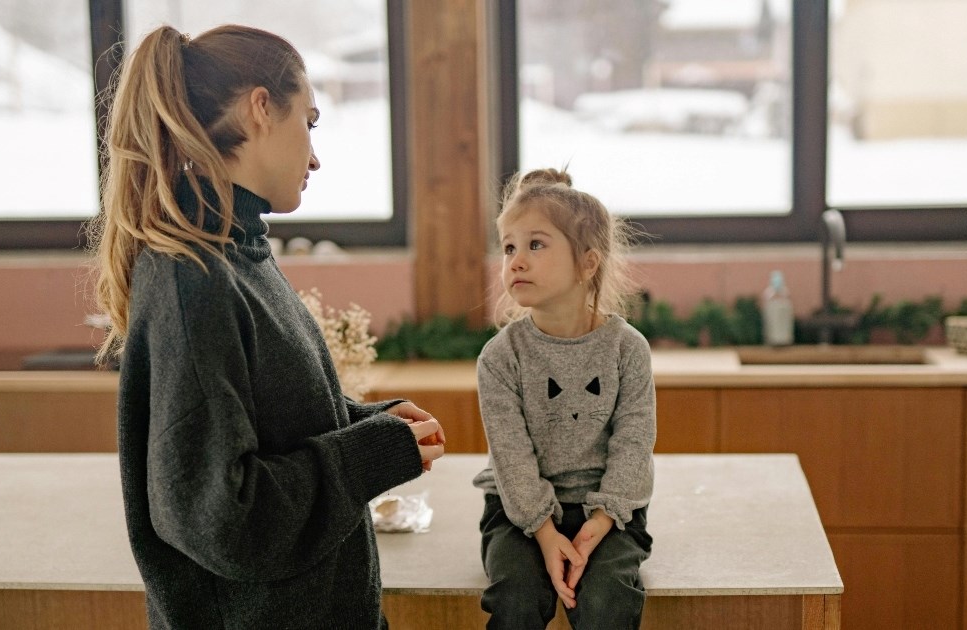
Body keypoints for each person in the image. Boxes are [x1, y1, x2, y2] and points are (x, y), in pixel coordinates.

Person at [88, 24, 444, 629]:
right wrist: (368, 454)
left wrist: (368, 423)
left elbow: (267, 420)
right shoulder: (193, 278)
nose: (315, 154)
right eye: (309, 121)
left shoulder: (237, 253)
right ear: (259, 109)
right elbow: (224, 518)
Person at [473, 168, 656, 629]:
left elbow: (634, 446)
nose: (514, 260)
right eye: (509, 246)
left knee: (605, 604)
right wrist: (545, 532)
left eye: (535, 244)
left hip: (609, 511)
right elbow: (511, 458)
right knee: (515, 598)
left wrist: (601, 521)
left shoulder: (627, 349)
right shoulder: (500, 358)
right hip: (520, 512)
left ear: (587, 264)